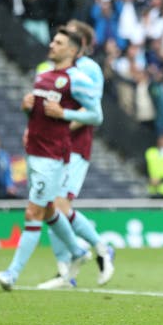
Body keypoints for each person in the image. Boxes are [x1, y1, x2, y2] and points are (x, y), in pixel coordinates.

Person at [0, 27, 103, 291]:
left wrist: (64, 113)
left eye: (59, 42)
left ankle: (12, 273)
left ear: (73, 50)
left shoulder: (77, 78)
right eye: (53, 40)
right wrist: (27, 109)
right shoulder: (43, 75)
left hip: (53, 156)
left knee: (33, 211)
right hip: (35, 152)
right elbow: (41, 115)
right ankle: (77, 251)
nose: (52, 44)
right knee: (49, 209)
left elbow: (96, 116)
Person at [36, 19, 115, 290]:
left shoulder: (89, 69)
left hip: (75, 144)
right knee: (49, 204)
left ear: (77, 44)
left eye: (66, 35)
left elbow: (91, 111)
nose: (59, 38)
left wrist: (61, 125)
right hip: (52, 146)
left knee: (58, 204)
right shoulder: (53, 69)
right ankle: (65, 270)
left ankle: (99, 247)